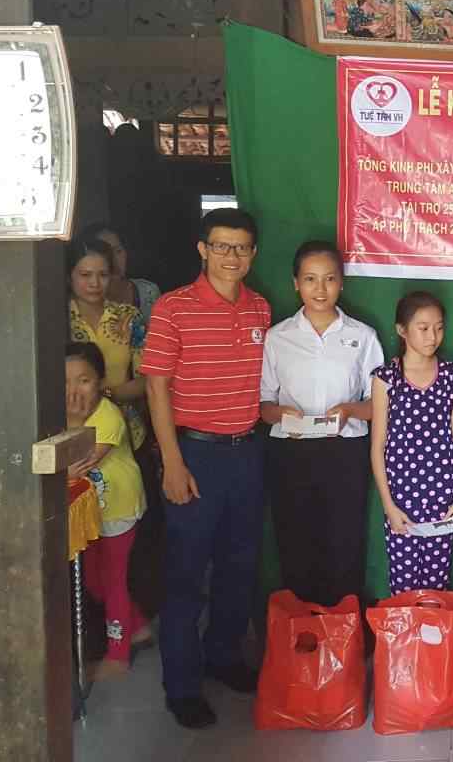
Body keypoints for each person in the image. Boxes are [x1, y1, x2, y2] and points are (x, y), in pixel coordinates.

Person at [140, 208, 271, 730]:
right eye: (221, 246)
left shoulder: (260, 308)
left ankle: (223, 656)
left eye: (241, 247)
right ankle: (182, 685)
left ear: (253, 253)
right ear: (202, 249)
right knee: (186, 574)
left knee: (240, 566)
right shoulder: (173, 308)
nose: (231, 256)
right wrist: (171, 462)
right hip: (193, 454)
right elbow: (156, 387)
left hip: (247, 452)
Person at [259, 241, 384, 606]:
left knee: (344, 540)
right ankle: (301, 630)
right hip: (291, 452)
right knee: (295, 539)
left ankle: (343, 627)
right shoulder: (278, 337)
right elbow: (264, 405)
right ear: (295, 283)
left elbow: (379, 404)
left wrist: (349, 410)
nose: (320, 288)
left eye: (329, 279)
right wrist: (283, 414)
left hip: (345, 452)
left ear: (341, 283)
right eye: (310, 279)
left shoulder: (362, 336)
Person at [369, 292, 453, 595]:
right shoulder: (386, 379)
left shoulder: (451, 375)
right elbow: (378, 446)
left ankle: (434, 630)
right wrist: (389, 506)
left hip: (442, 499)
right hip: (401, 499)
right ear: (402, 330)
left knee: (438, 586)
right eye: (423, 328)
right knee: (404, 585)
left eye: (439, 327)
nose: (432, 336)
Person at [65, 342, 149, 678]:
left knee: (114, 582)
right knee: (93, 580)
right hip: (90, 512)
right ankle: (137, 626)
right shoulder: (59, 412)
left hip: (117, 508)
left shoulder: (108, 416)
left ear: (101, 382)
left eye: (83, 380)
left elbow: (76, 463)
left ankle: (118, 655)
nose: (74, 390)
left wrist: (73, 419)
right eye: (66, 381)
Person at [67, 236, 147, 452]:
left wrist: (108, 394)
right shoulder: (55, 319)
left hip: (127, 431)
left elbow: (148, 379)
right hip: (70, 430)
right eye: (85, 275)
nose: (95, 283)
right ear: (69, 276)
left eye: (102, 275)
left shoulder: (128, 317)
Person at [80, 221, 161, 335]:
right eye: (105, 254)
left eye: (118, 251)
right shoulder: (83, 302)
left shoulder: (148, 292)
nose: (114, 260)